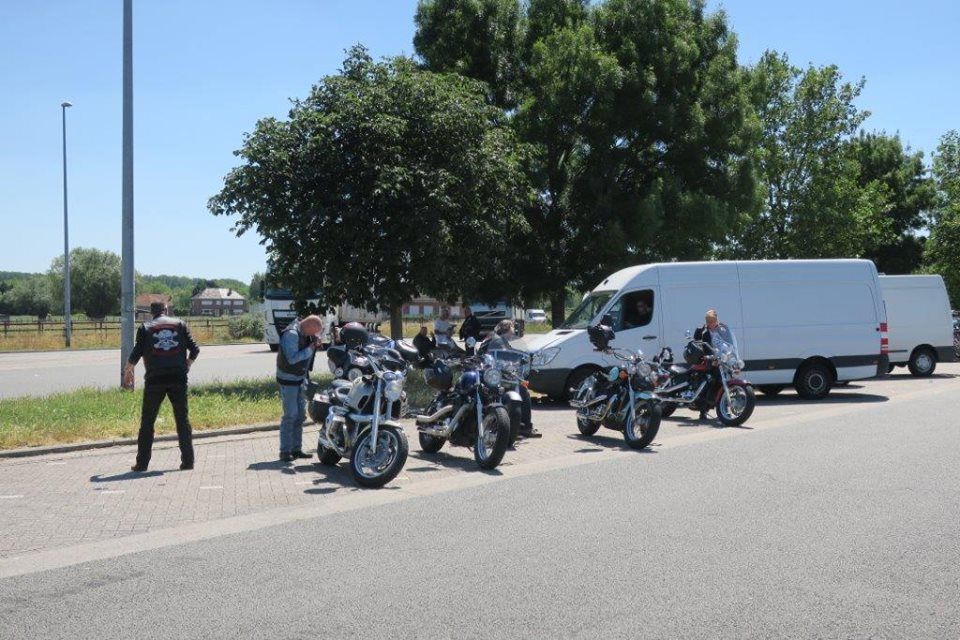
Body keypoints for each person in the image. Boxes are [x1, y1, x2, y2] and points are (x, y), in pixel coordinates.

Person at [125, 302, 200, 472]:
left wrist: (127, 370)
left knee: (147, 421)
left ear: (151, 312)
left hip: (155, 379)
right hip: (178, 378)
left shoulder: (145, 328)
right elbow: (195, 349)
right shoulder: (180, 325)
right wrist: (187, 364)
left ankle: (142, 464)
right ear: (166, 310)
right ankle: (188, 461)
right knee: (182, 420)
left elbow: (137, 352)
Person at [479, 319, 541, 438]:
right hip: (494, 376)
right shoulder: (492, 340)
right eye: (512, 329)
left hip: (509, 375)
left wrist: (527, 361)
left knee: (524, 392)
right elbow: (481, 356)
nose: (513, 332)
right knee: (486, 393)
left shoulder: (513, 342)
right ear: (507, 329)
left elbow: (522, 354)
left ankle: (525, 427)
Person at [276, 315, 323, 462]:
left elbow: (307, 346)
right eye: (313, 332)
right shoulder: (291, 334)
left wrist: (314, 341)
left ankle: (296, 449)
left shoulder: (304, 331)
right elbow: (292, 358)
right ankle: (285, 451)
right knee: (290, 415)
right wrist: (310, 348)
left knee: (300, 415)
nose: (313, 335)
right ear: (307, 326)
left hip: (300, 379)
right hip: (288, 380)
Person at [692, 309, 739, 420]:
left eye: (712, 321)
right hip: (710, 361)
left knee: (726, 383)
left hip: (723, 360)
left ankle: (725, 409)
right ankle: (703, 411)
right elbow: (697, 343)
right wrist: (708, 357)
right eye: (709, 322)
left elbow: (731, 343)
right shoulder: (703, 332)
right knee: (710, 382)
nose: (711, 324)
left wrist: (735, 359)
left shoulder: (723, 329)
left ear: (717, 320)